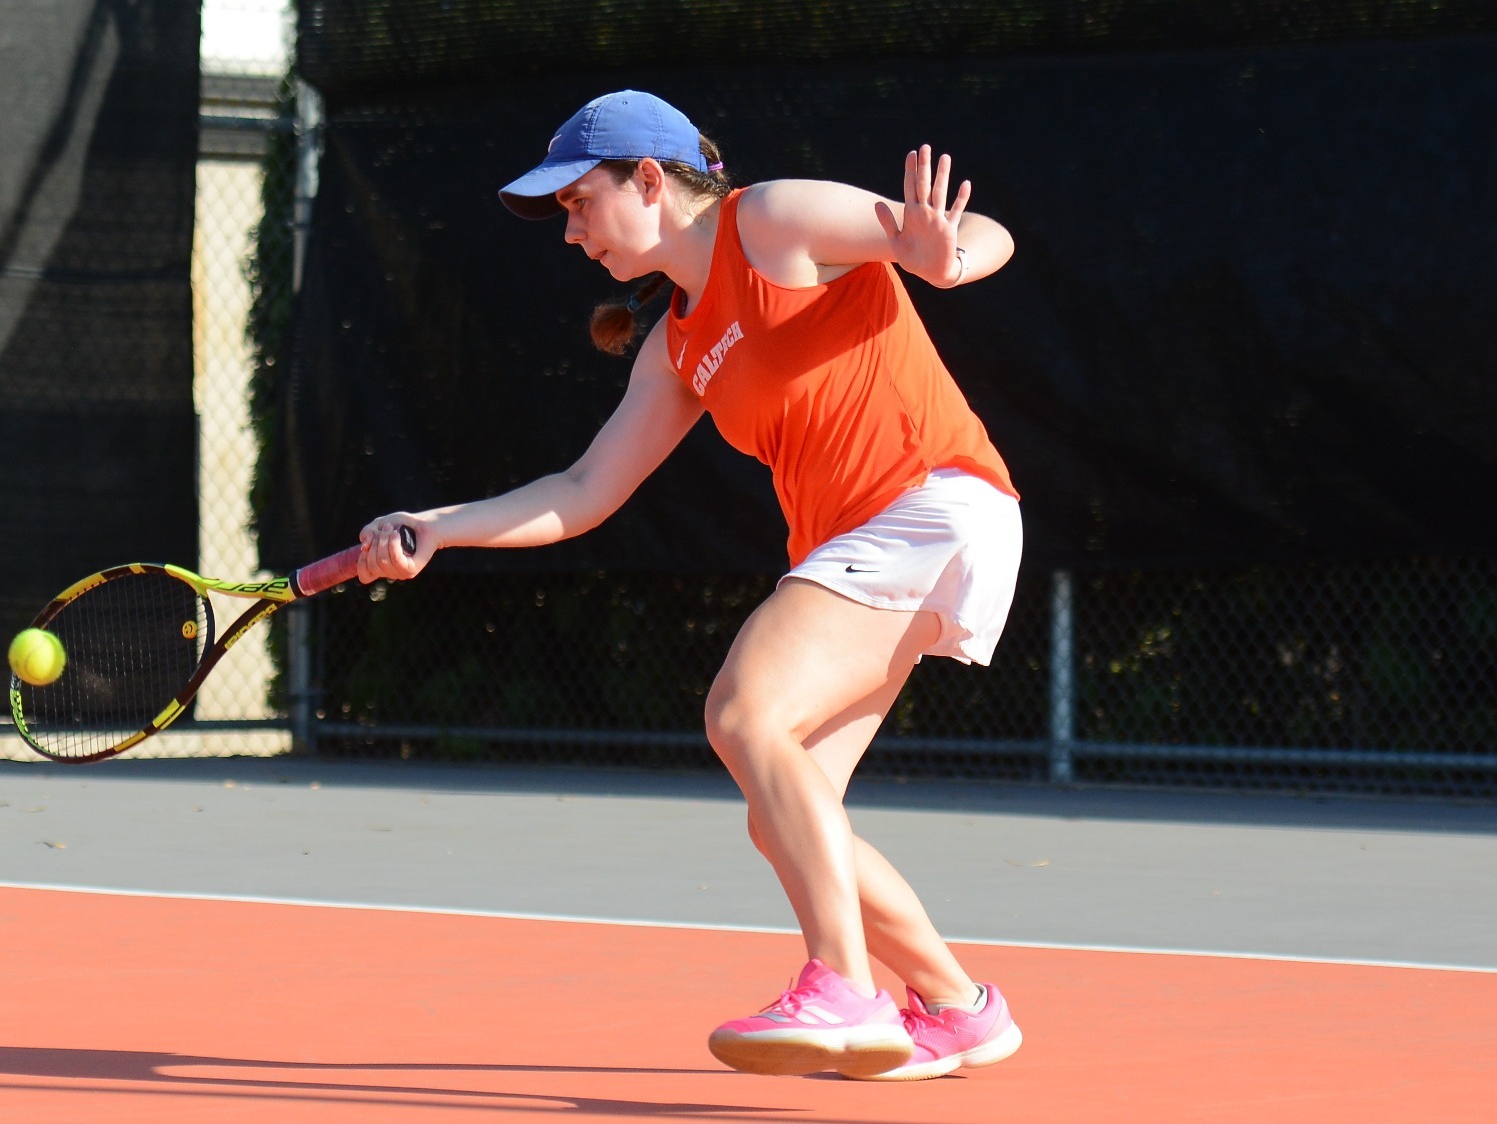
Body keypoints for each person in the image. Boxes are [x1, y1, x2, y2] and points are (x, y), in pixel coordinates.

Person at [354, 90, 1024, 1082]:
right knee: (781, 810)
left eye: (579, 202)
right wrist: (436, 529)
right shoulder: (676, 341)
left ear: (650, 181)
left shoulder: (769, 220)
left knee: (742, 710)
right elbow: (582, 492)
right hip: (875, 538)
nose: (572, 231)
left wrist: (942, 256)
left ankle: (842, 984)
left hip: (927, 499)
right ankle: (959, 1007)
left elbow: (976, 229)